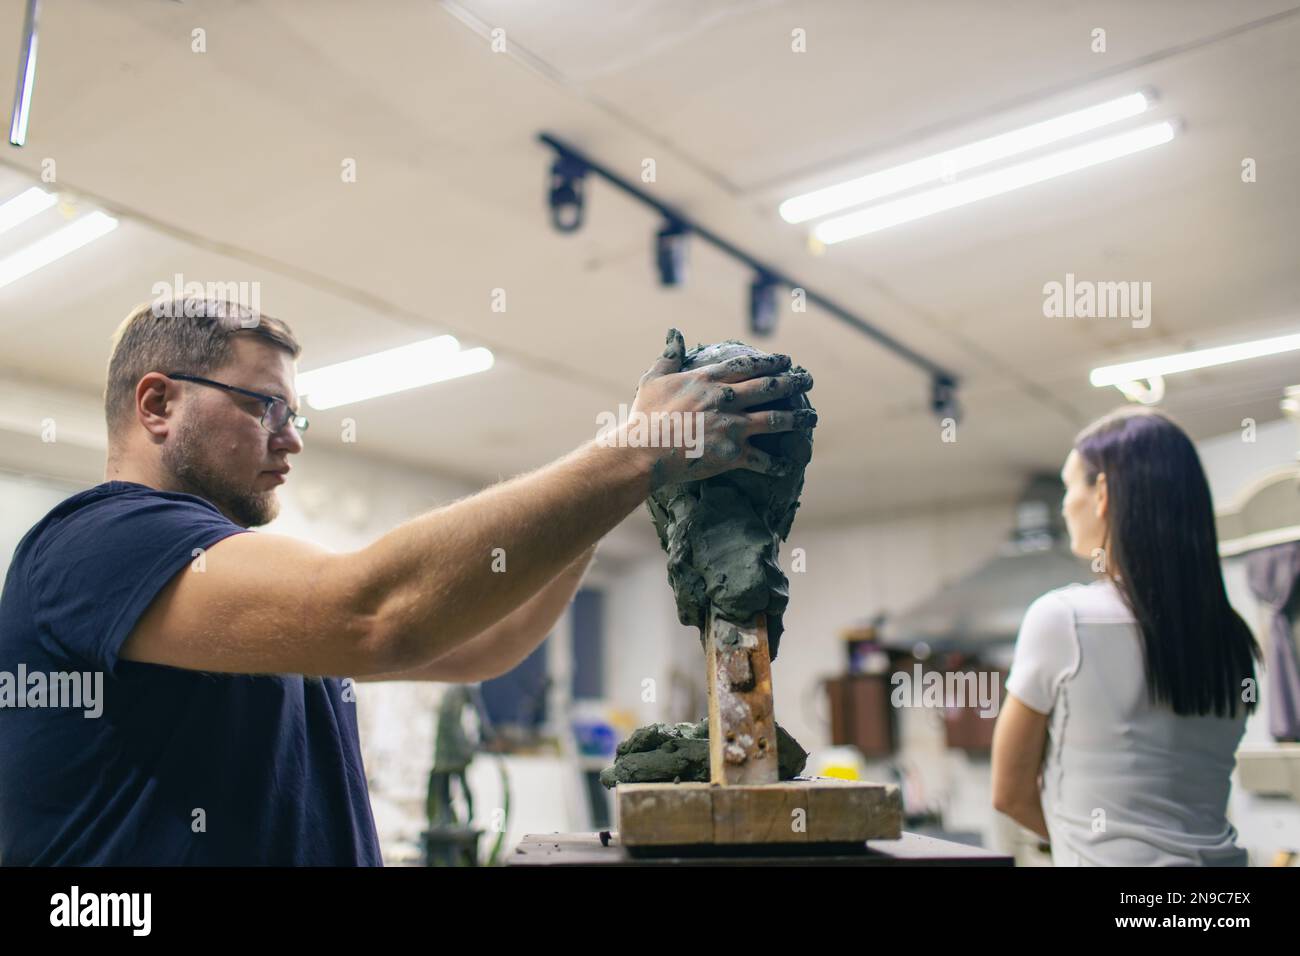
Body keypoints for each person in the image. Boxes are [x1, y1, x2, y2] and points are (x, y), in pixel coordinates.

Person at [0, 297, 815, 865]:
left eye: (298, 416)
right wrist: (635, 451)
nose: (292, 441)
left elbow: (480, 645)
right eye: (266, 407)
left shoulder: (226, 601)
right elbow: (376, 611)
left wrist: (625, 484)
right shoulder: (95, 545)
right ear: (156, 404)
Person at [991, 406, 1260, 865]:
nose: (1063, 504)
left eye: (1070, 485)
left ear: (1103, 494)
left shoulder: (1063, 620)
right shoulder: (1232, 636)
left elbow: (1010, 793)